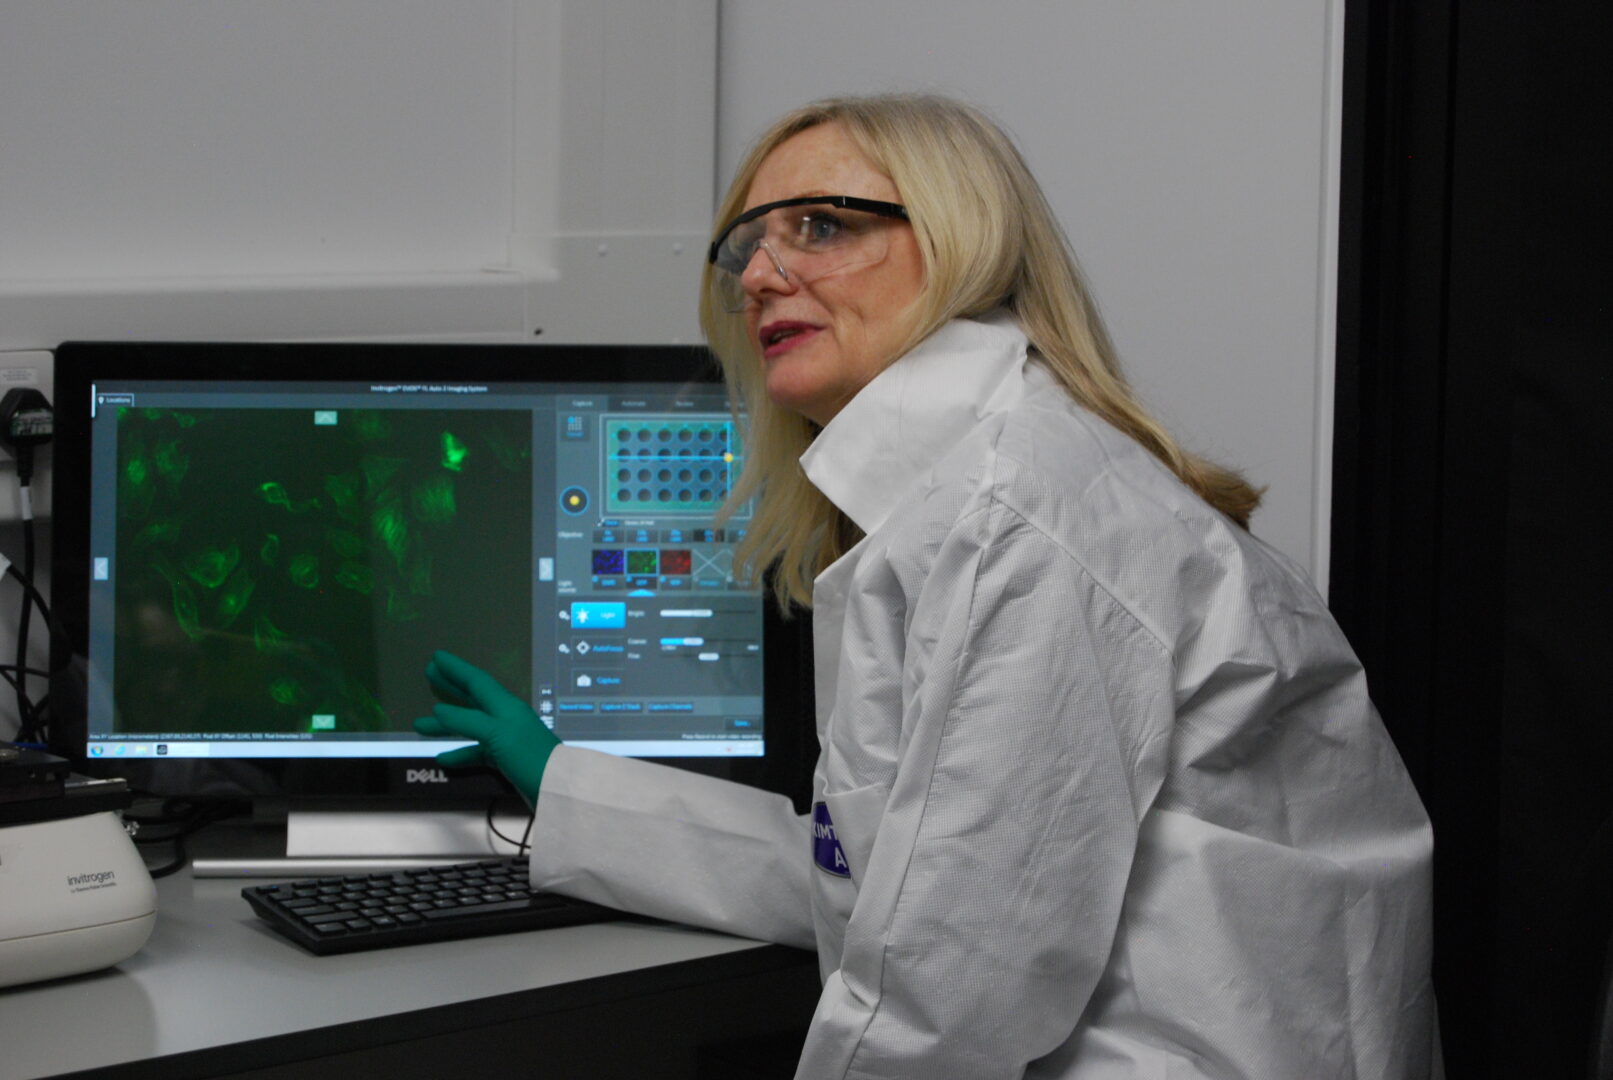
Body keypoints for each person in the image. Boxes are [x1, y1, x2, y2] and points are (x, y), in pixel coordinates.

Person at [416, 94, 1439, 1078]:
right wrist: (568, 785)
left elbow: (951, 989)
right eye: (745, 247)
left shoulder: (1017, 509)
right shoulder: (966, 495)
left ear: (961, 240)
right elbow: (879, 886)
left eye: (819, 226)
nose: (760, 275)